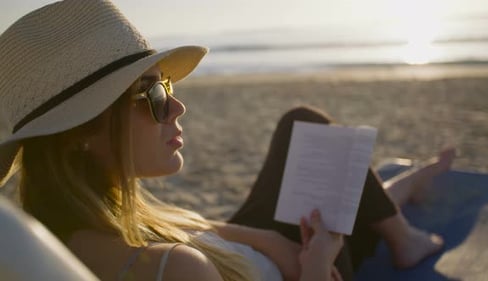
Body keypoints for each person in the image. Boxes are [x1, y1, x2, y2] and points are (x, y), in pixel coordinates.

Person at [0, 0, 454, 280]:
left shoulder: (63, 233)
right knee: (330, 209)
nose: (177, 108)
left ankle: (401, 198)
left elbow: (186, 225)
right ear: (78, 134)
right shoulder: (176, 270)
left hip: (249, 253)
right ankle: (403, 229)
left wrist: (268, 241)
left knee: (303, 124)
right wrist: (315, 268)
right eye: (152, 95)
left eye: (168, 88)